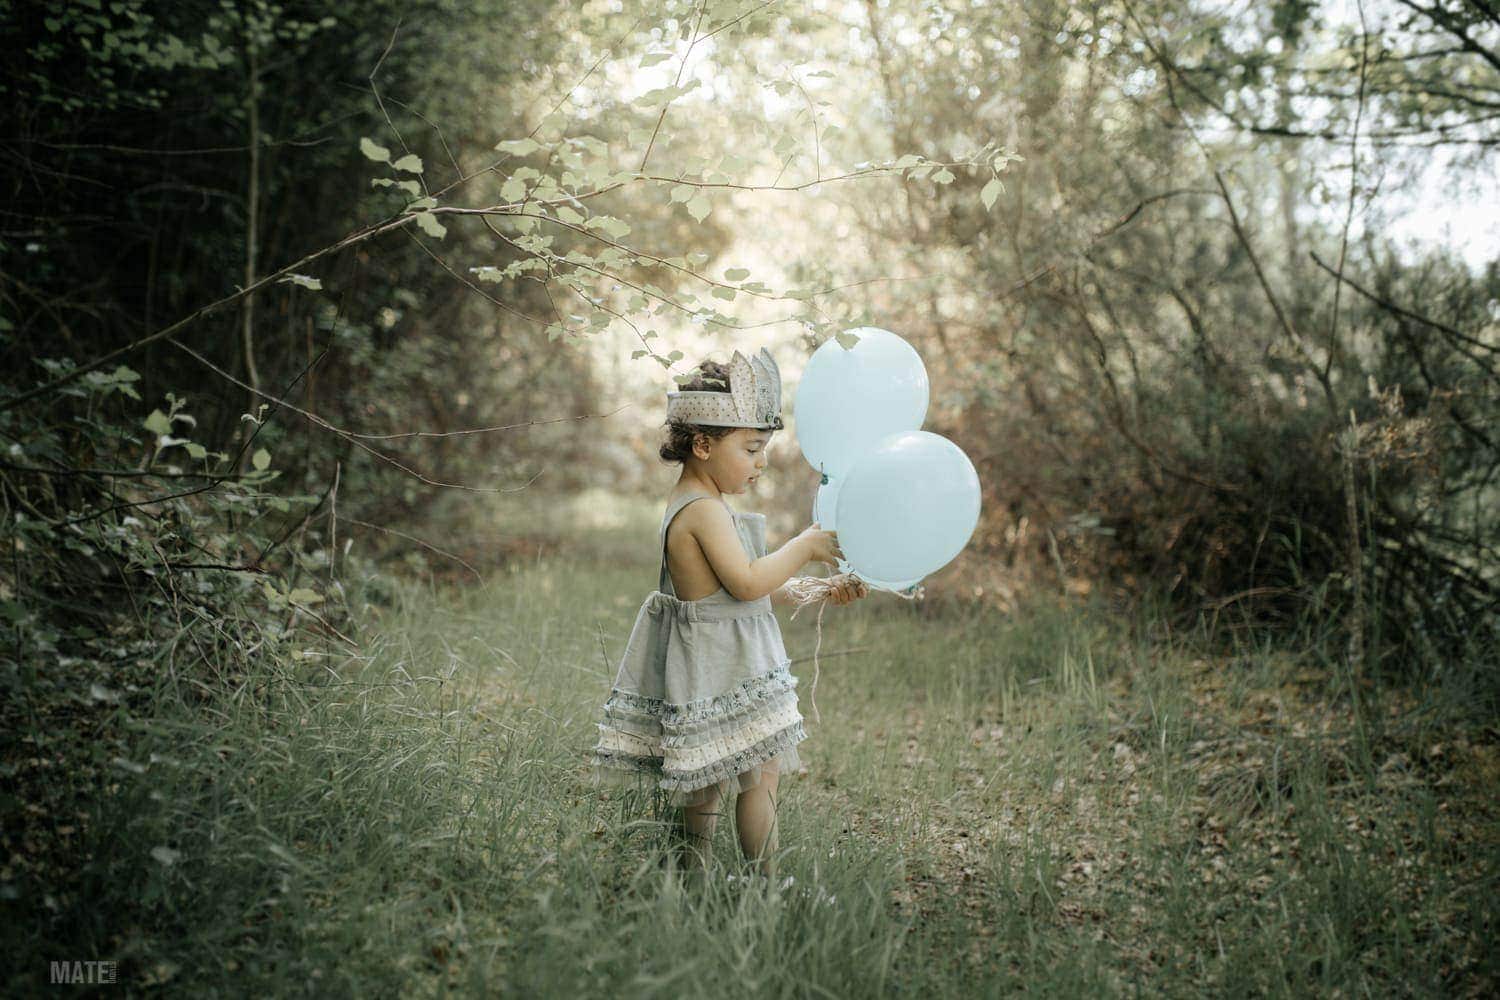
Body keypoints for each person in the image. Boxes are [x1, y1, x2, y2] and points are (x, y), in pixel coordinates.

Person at [589, 346, 868, 893]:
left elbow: (739, 588)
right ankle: (763, 882)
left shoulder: (700, 500)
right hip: (726, 663)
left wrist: (817, 588)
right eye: (751, 449)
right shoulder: (703, 510)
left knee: (707, 781)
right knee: (757, 777)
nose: (760, 463)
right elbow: (745, 583)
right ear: (703, 444)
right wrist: (805, 546)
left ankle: (692, 877)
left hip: (714, 659)